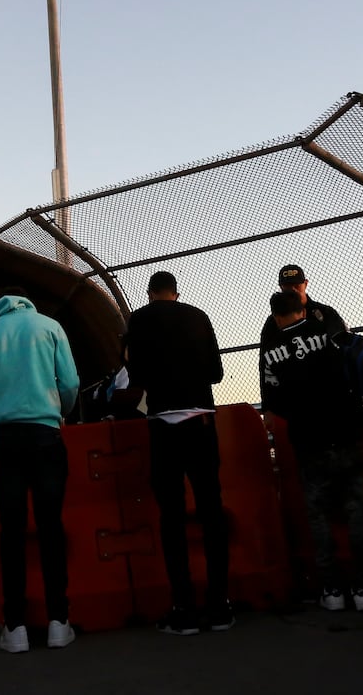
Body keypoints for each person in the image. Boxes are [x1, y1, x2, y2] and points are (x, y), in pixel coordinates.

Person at [121, 270, 233, 635]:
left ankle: (183, 607)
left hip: (165, 422)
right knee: (211, 510)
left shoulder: (139, 319)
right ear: (176, 292)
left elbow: (134, 374)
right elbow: (216, 373)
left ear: (151, 294)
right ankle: (220, 605)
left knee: (171, 515)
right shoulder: (199, 315)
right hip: (202, 419)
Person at [0, 289, 80, 653]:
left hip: (4, 439)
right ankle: (58, 622)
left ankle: (15, 627)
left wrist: (3, 407)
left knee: (11, 530)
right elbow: (70, 383)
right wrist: (57, 410)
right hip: (46, 435)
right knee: (50, 526)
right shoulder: (50, 326)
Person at [260, 289, 363, 612]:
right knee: (355, 508)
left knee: (319, 513)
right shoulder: (330, 336)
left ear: (276, 317)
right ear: (303, 310)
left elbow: (275, 402)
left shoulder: (271, 353)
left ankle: (333, 590)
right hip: (346, 431)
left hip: (308, 440)